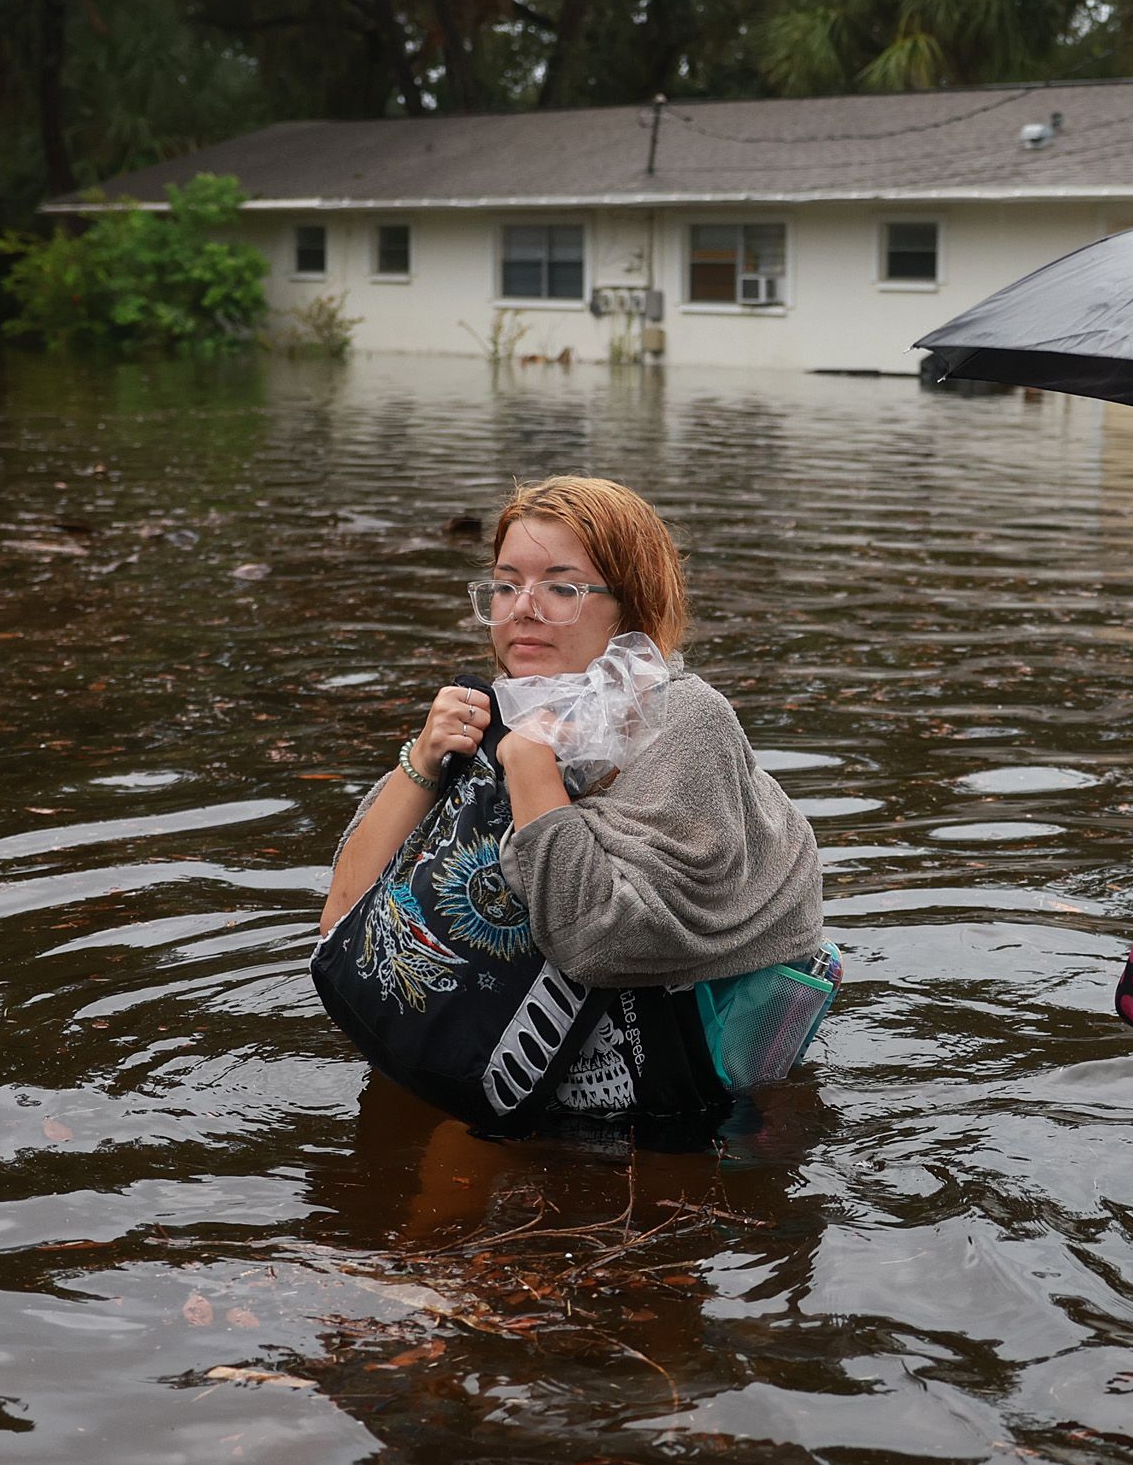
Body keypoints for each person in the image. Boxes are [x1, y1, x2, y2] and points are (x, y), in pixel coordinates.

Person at [319, 474, 824, 1121]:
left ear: (630, 606)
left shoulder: (682, 720)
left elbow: (603, 944)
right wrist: (420, 761)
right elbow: (342, 924)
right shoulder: (487, 712)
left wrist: (531, 770)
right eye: (506, 584)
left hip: (674, 1101)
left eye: (562, 587)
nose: (522, 607)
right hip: (499, 1069)